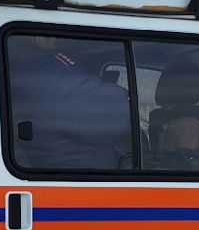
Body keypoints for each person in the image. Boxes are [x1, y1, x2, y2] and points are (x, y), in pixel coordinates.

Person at [8, 35, 133, 170]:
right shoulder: (55, 76)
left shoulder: (17, 72)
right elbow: (120, 114)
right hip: (87, 180)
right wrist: (127, 94)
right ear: (40, 38)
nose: (56, 39)